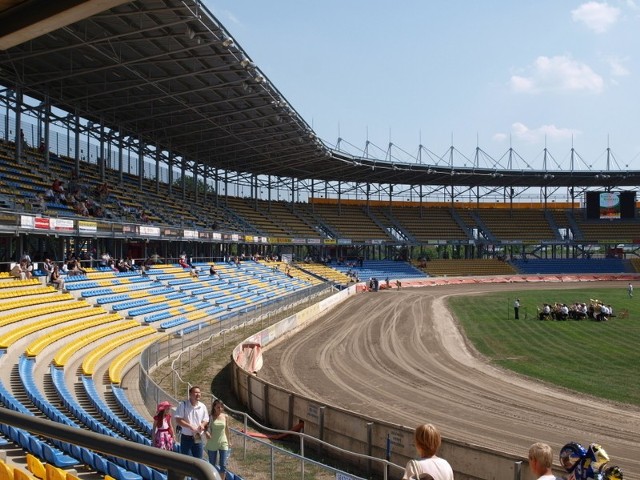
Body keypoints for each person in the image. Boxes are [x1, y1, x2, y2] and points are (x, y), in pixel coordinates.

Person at [174, 386, 209, 459]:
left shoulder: (202, 406)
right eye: (196, 392)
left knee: (199, 460)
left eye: (199, 392)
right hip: (186, 438)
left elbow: (206, 419)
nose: (198, 394)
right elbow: (178, 420)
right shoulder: (183, 405)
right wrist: (189, 426)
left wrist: (202, 425)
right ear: (190, 394)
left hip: (198, 437)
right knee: (186, 461)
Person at [205, 399, 231, 479]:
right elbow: (205, 428)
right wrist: (207, 433)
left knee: (223, 464)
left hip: (223, 442)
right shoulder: (210, 417)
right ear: (214, 407)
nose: (220, 409)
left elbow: (227, 429)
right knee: (212, 464)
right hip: (212, 442)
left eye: (221, 407)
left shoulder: (225, 416)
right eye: (218, 407)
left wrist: (229, 441)